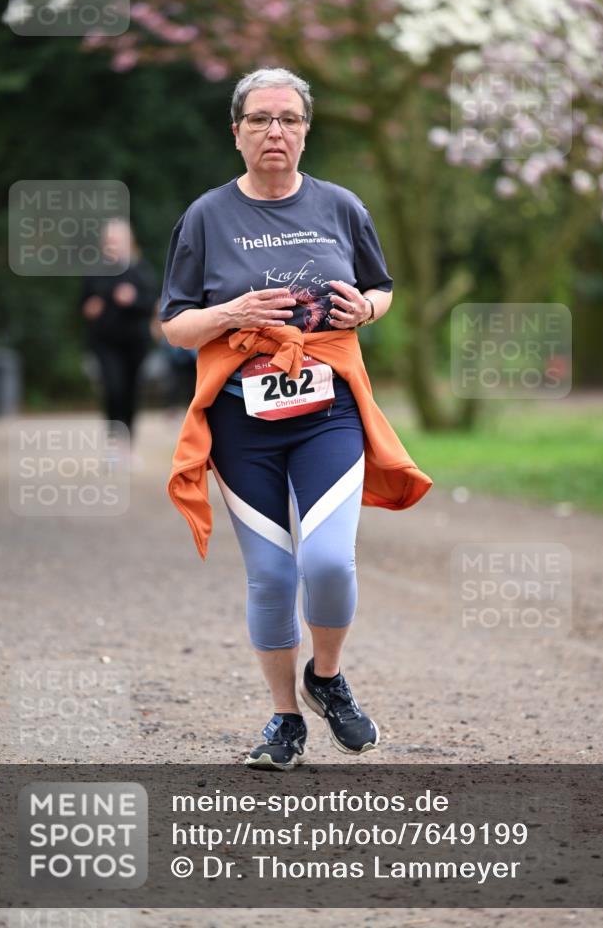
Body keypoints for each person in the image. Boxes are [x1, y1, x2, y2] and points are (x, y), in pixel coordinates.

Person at [160, 67, 433, 771]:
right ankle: (284, 720)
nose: (273, 131)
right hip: (240, 424)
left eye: (286, 119)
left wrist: (366, 309)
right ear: (237, 133)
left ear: (305, 130)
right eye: (259, 119)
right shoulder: (206, 217)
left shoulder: (341, 206)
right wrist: (232, 314)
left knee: (327, 562)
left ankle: (326, 677)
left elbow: (381, 288)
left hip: (327, 415)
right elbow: (175, 327)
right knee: (273, 577)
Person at [81, 218, 158, 447]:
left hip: (135, 342)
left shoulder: (141, 270)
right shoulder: (95, 271)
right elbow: (84, 303)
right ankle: (114, 442)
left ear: (128, 241)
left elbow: (151, 305)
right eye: (109, 239)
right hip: (105, 342)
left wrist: (133, 300)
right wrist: (89, 308)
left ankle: (129, 441)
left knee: (131, 391)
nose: (113, 243)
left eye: (117, 239)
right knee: (113, 390)